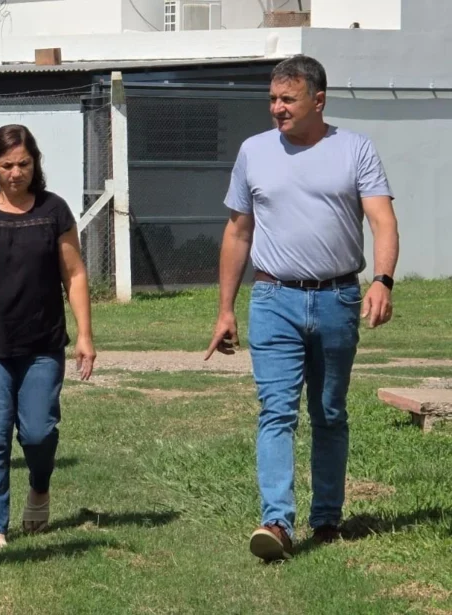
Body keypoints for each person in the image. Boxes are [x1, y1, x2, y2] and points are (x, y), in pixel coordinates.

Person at [205, 55, 399, 562]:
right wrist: (226, 309)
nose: (277, 108)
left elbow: (382, 220)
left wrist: (382, 281)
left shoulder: (355, 148)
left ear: (319, 100)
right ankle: (276, 521)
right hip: (274, 299)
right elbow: (238, 232)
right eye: (273, 99)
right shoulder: (254, 151)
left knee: (329, 412)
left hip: (338, 297)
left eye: (288, 99)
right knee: (276, 410)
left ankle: (327, 518)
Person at [0, 125, 96, 551]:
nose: (15, 173)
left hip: (42, 343)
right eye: (6, 165)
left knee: (38, 433)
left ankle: (39, 487)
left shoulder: (53, 210)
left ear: (35, 163)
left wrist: (85, 335)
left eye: (23, 163)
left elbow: (74, 274)